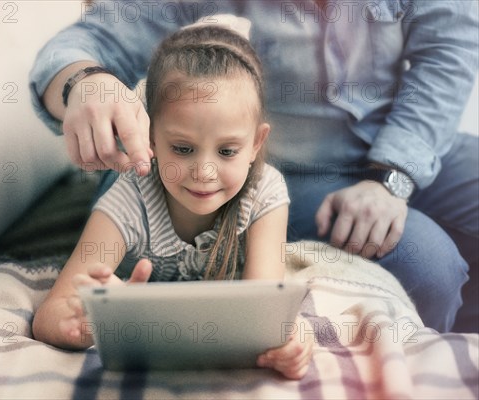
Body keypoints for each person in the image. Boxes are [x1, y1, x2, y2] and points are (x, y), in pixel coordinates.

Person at [29, 1, 478, 334]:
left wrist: (392, 176)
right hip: (290, 169)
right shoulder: (150, 197)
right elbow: (88, 42)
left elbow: (449, 54)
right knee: (430, 263)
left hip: (404, 134)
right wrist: (83, 82)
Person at [32, 24, 314, 380]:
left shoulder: (265, 191)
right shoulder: (129, 199)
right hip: (137, 170)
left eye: (227, 151)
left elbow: (265, 312)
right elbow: (50, 316)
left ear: (256, 143)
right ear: (148, 135)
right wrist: (92, 322)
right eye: (184, 148)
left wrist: (292, 342)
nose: (204, 172)